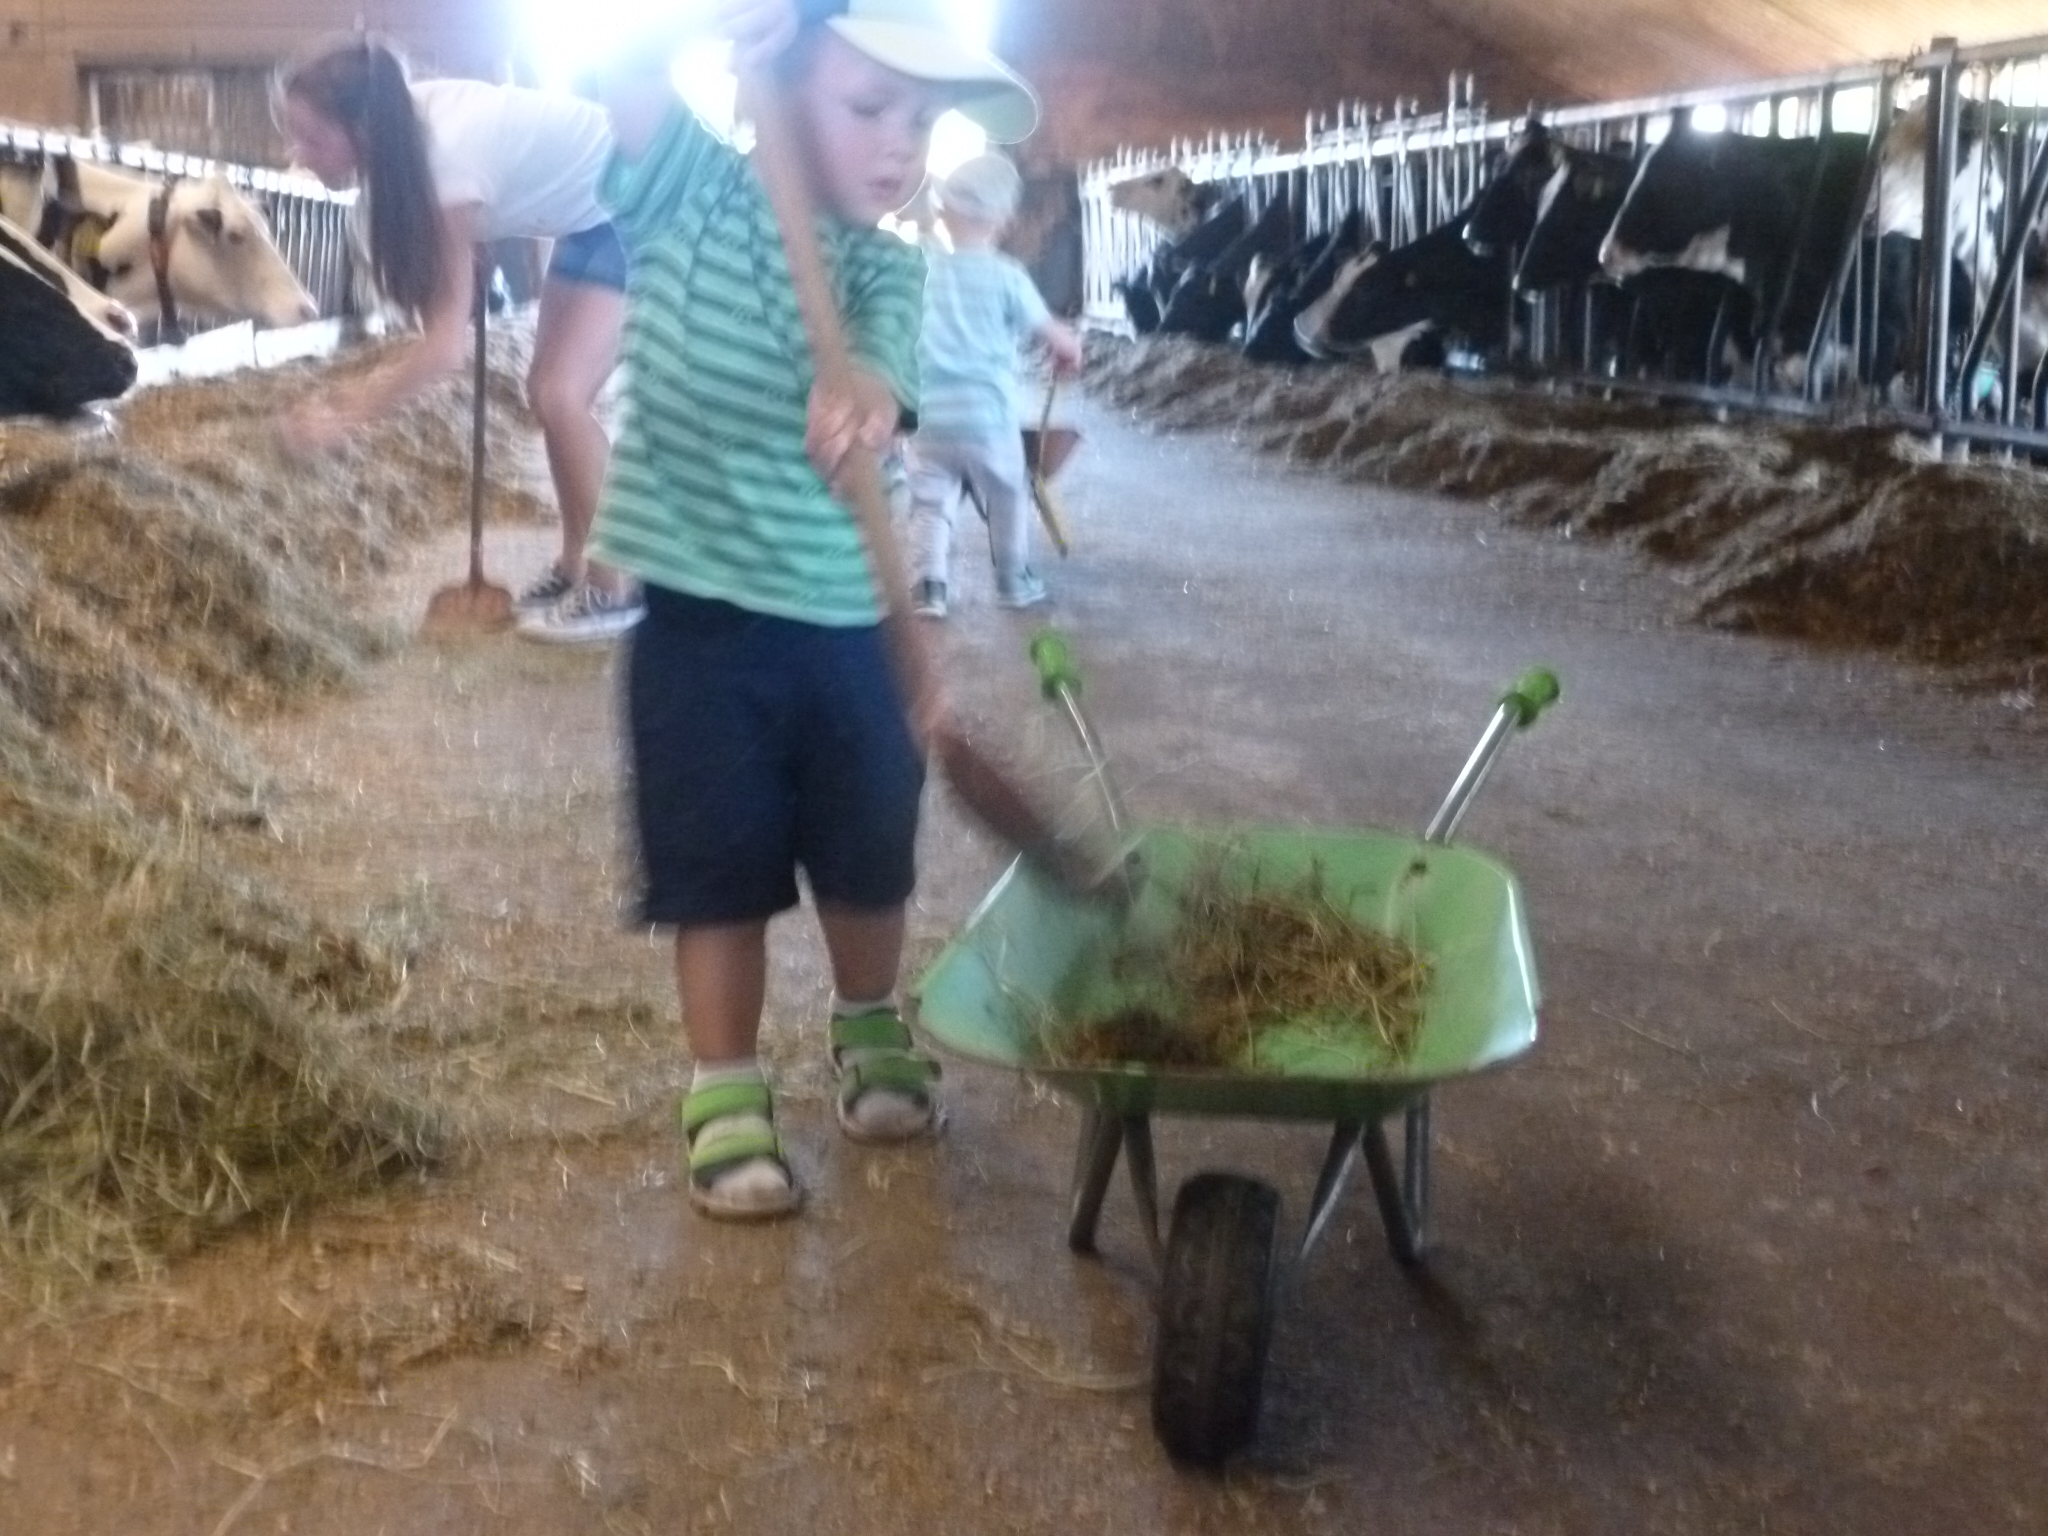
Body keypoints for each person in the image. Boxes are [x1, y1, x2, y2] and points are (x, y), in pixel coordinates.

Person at [592, 0, 1037, 1219]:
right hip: (699, 628)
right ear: (775, 83)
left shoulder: (888, 266)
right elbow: (618, 57)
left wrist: (871, 398)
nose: (900, 144)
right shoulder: (682, 185)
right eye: (868, 106)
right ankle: (725, 1086)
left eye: (922, 121)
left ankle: (868, 1020)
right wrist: (705, 23)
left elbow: (883, 368)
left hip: (849, 623)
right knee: (717, 874)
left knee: (867, 852)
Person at [276, 38, 644, 643]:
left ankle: (616, 589)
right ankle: (576, 563)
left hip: (642, 205)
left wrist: (346, 415)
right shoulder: (402, 138)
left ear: (361, 129)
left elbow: (445, 346)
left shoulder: (444, 161)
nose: (298, 154)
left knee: (561, 395)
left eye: (312, 138)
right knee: (545, 390)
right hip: (588, 216)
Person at [906, 151, 1083, 620]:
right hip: (987, 418)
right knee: (1007, 495)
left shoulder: (923, 270)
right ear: (1004, 220)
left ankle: (929, 586)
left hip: (927, 418)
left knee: (929, 503)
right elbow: (1053, 334)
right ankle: (1012, 580)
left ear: (943, 212)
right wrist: (1069, 349)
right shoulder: (1008, 276)